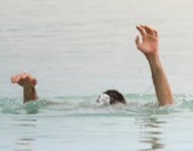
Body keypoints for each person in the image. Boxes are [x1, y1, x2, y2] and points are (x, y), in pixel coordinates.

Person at [11, 25, 173, 106]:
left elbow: (39, 106)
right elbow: (166, 107)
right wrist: (154, 60)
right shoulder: (130, 110)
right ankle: (29, 89)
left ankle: (28, 88)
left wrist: (29, 91)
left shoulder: (84, 108)